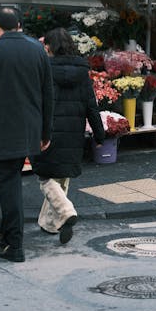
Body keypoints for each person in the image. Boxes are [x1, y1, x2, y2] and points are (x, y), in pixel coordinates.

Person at [0, 6, 53, 263]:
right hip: (30, 129)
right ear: (19, 25)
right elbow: (48, 94)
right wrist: (45, 131)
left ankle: (14, 245)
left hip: (3, 131)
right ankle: (6, 232)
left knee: (9, 185)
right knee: (11, 180)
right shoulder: (38, 50)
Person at [31, 28, 106, 245]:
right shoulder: (82, 72)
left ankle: (66, 212)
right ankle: (50, 223)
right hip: (73, 132)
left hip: (48, 131)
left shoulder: (44, 70)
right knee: (61, 177)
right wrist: (99, 136)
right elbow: (92, 106)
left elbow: (36, 103)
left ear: (51, 47)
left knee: (45, 176)